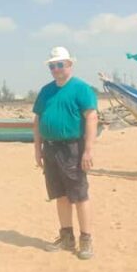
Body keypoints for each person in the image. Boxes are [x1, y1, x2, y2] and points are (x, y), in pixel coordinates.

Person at [33, 47, 98, 260]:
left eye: (60, 64)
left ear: (70, 64)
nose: (56, 69)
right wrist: (37, 149)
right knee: (60, 195)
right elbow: (37, 120)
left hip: (72, 148)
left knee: (79, 195)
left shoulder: (81, 88)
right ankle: (66, 237)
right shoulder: (46, 91)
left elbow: (91, 117)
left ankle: (85, 239)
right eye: (52, 66)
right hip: (50, 148)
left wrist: (88, 150)